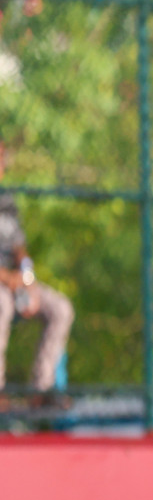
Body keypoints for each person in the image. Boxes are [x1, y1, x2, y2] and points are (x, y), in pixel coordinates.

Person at [0, 140, 75, 403]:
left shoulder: (7, 201)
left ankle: (40, 391)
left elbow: (19, 248)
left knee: (60, 308)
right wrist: (7, 278)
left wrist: (27, 278)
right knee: (1, 306)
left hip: (16, 282)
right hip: (2, 286)